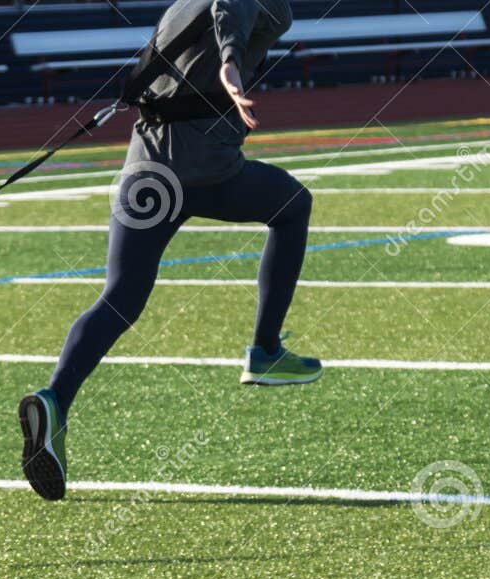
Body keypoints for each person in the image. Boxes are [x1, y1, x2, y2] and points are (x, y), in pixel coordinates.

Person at [19, 0, 319, 501]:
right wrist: (229, 61)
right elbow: (231, 11)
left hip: (147, 171)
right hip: (206, 171)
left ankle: (54, 400)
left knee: (119, 296)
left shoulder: (180, 5)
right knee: (293, 205)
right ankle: (265, 351)